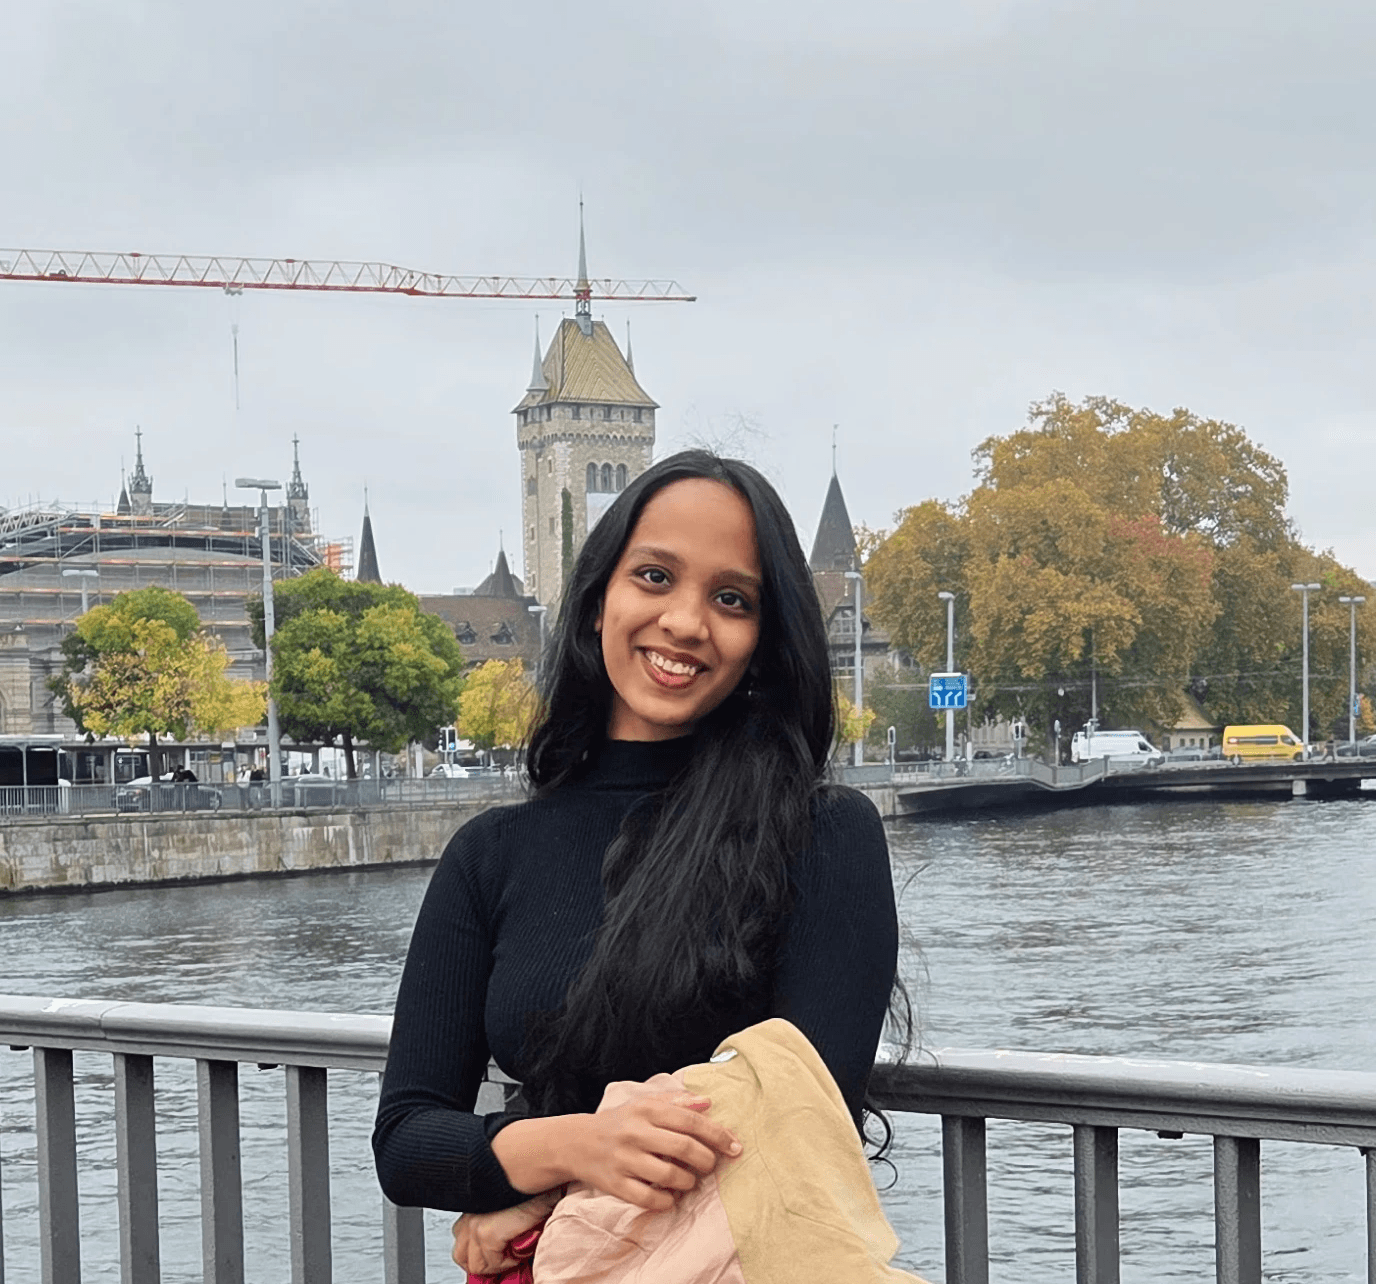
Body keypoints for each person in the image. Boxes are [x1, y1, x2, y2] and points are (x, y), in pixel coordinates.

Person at [372, 451, 903, 1278]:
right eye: (655, 577)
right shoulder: (492, 854)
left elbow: (799, 1118)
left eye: (732, 599)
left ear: (764, 641)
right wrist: (578, 1147)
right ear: (597, 601)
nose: (686, 622)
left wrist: (532, 1191)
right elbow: (406, 1140)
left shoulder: (821, 835)